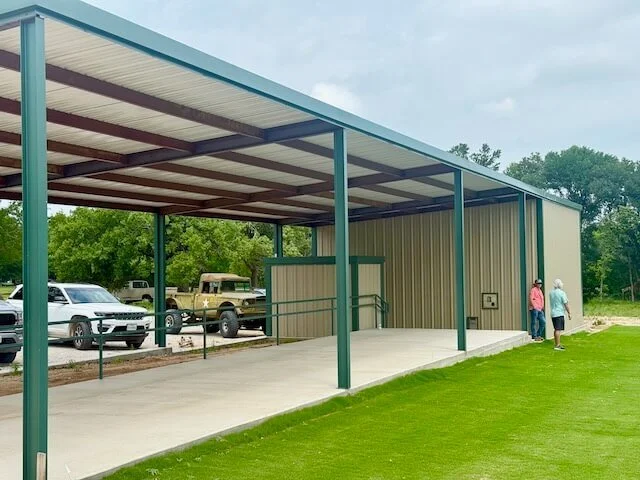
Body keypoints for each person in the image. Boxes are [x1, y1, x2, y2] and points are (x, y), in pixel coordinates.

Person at [550, 279, 571, 351]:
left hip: (553, 312)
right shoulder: (562, 293)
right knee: (558, 329)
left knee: (556, 329)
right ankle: (557, 345)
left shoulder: (551, 293)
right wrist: (569, 313)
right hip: (559, 312)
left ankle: (556, 344)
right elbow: (566, 303)